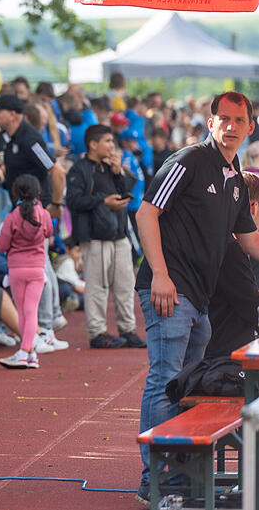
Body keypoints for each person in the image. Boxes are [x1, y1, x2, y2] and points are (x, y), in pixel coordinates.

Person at [134, 91, 259, 504]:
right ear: (211, 123)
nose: (230, 126)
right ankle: (155, 477)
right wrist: (160, 276)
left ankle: (181, 473)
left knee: (186, 385)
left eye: (238, 121)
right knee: (165, 379)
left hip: (198, 299)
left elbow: (250, 240)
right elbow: (146, 212)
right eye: (223, 118)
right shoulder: (190, 160)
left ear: (249, 127)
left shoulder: (235, 180)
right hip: (171, 289)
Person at [65, 125, 143, 349]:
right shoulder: (79, 169)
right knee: (97, 287)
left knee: (125, 286)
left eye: (112, 141)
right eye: (108, 141)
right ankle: (97, 332)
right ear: (93, 144)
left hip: (119, 234)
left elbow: (130, 188)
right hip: (95, 236)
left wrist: (119, 172)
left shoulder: (111, 167)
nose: (112, 146)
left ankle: (128, 329)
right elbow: (73, 201)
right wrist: (102, 201)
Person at [0, 174, 53, 369]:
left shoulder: (12, 217)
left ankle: (24, 351)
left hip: (16, 269)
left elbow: (2, 245)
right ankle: (30, 353)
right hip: (37, 268)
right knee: (32, 311)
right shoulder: (44, 215)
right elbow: (49, 233)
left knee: (22, 312)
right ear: (38, 192)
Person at [204, 170, 259, 358]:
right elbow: (252, 306)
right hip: (226, 354)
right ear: (253, 208)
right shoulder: (230, 247)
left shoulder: (223, 239)